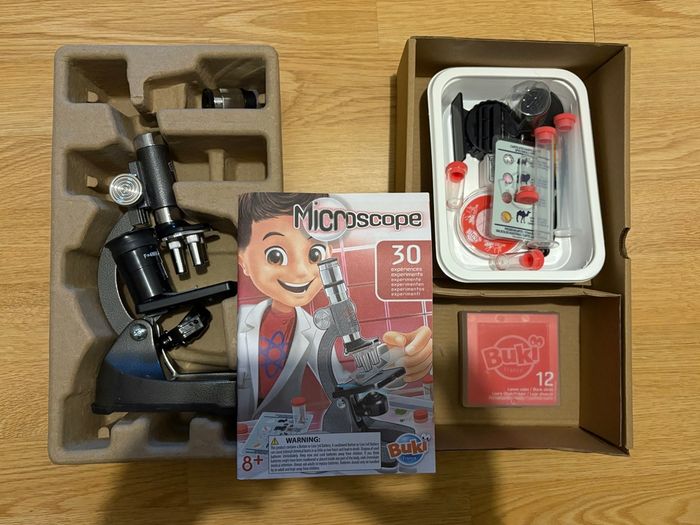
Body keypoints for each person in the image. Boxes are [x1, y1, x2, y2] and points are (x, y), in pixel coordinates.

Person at [237, 193, 433, 421]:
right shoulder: (238, 320)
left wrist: (399, 359)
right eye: (275, 256)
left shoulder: (316, 332)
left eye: (314, 254)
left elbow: (345, 383)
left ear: (328, 254)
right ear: (242, 260)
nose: (301, 271)